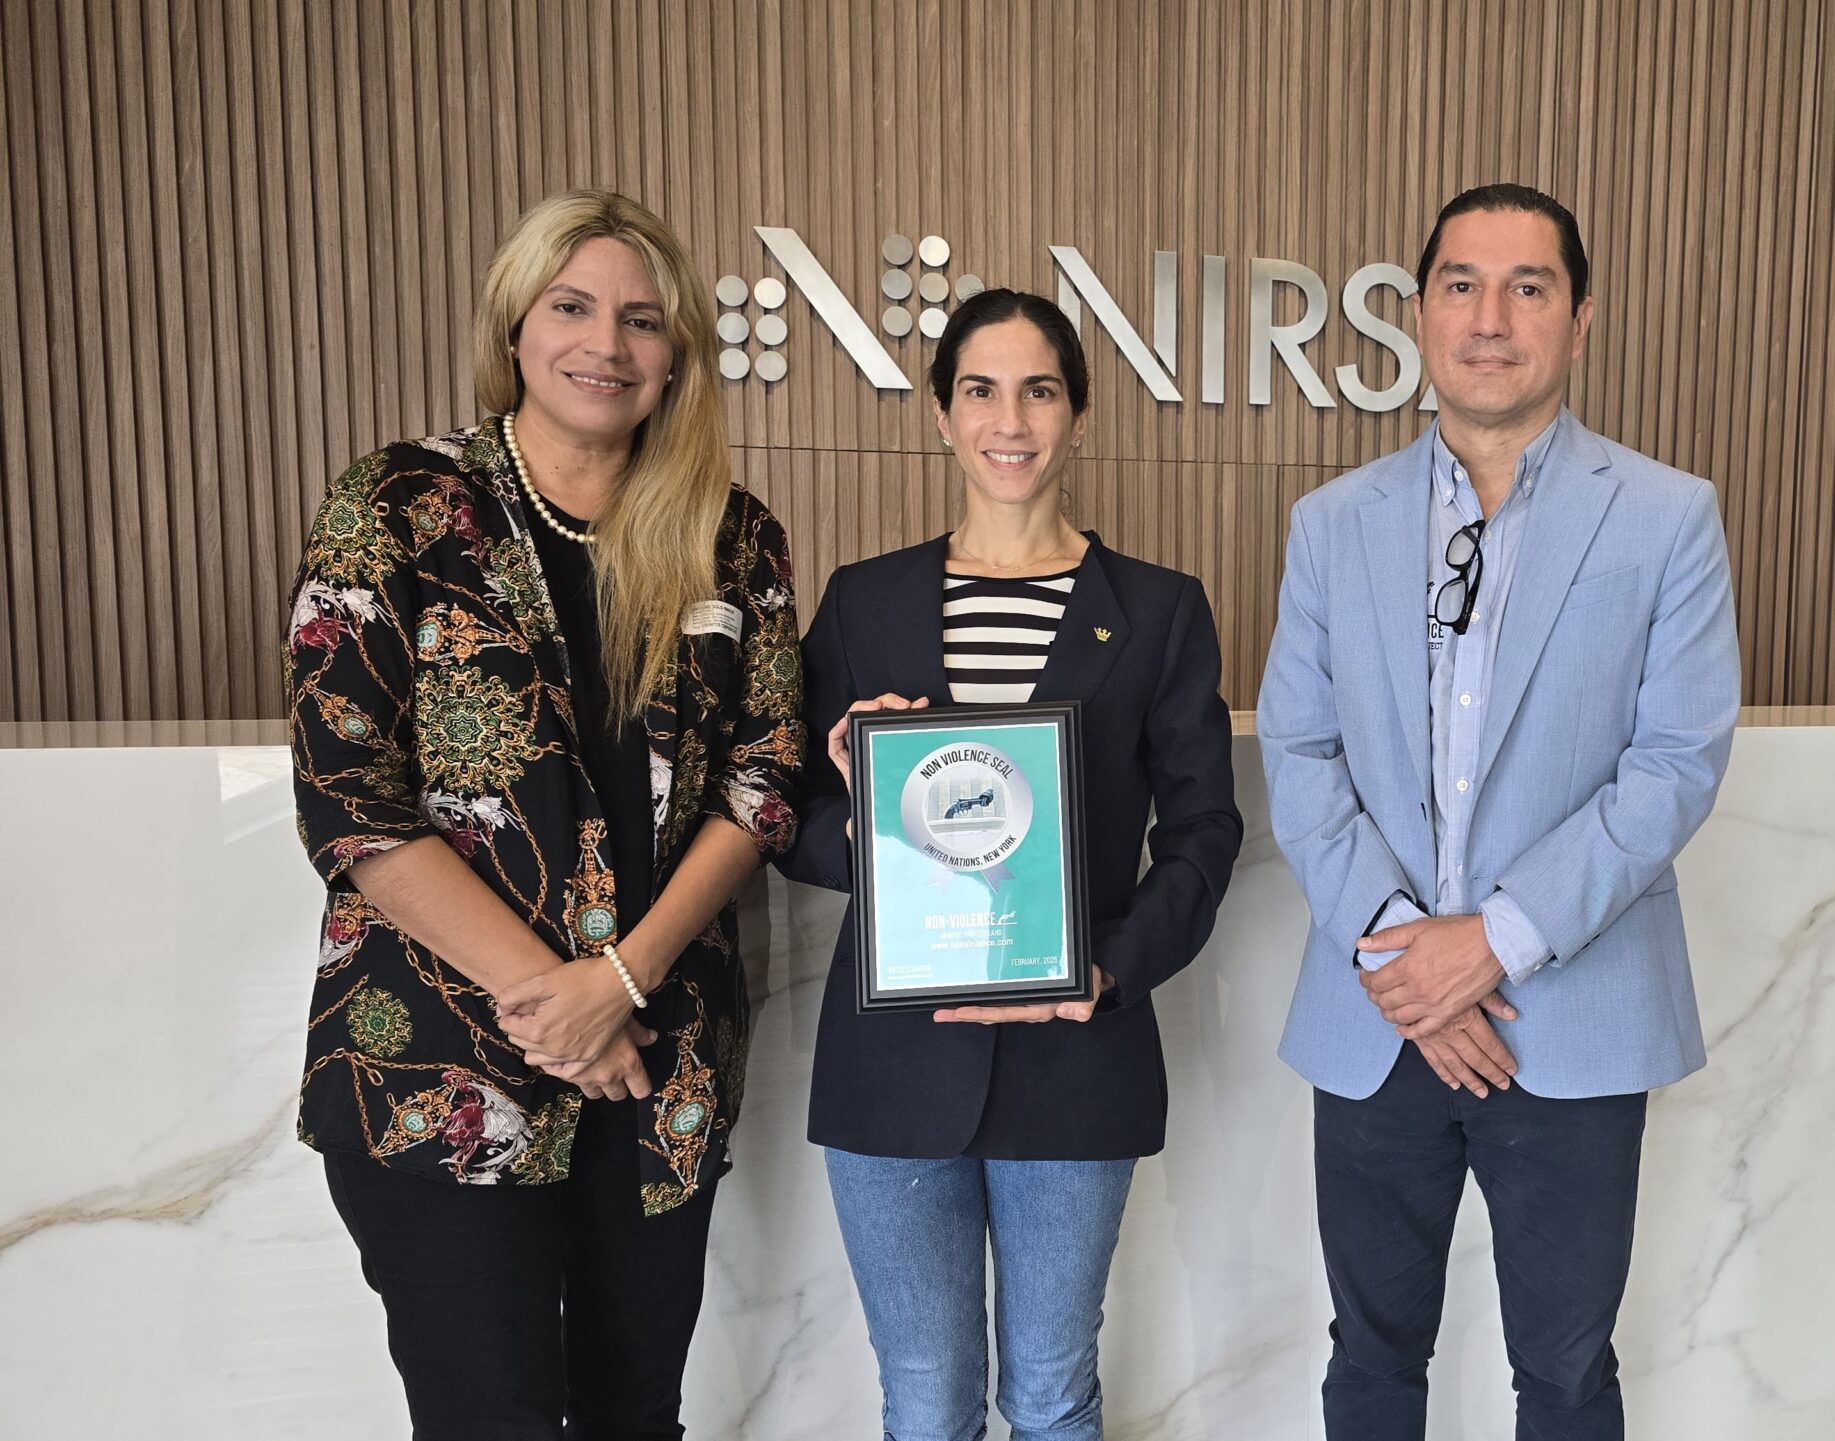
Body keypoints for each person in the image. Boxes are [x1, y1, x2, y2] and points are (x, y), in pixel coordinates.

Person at [287, 188, 803, 1438]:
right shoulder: (399, 505)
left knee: (636, 1415)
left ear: (677, 351)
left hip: (660, 1060)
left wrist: (619, 981)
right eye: (572, 307)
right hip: (440, 1056)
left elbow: (766, 778)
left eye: (642, 319)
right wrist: (562, 1005)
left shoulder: (733, 538)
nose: (605, 345)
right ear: (515, 323)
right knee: (490, 1417)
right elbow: (351, 798)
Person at [1257, 184, 1743, 1440]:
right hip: (1376, 1022)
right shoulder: (1331, 525)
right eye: (1461, 285)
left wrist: (1493, 942)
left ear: (1578, 321)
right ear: (1418, 314)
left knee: (1566, 1373)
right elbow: (1299, 752)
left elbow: (1675, 761)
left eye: (1528, 287)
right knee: (1370, 1357)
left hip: (1571, 1018)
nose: (1490, 317)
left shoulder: (1666, 515)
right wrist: (1406, 958)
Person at [780, 287, 1242, 1441]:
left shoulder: (1160, 610)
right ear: (941, 413)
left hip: (1077, 1061)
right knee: (925, 1402)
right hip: (892, 1065)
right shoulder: (863, 603)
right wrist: (860, 812)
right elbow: (785, 814)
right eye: (980, 390)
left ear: (1076, 414)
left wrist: (1109, 968)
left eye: (1039, 390)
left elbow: (1203, 831)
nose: (1010, 419)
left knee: (1051, 1394)